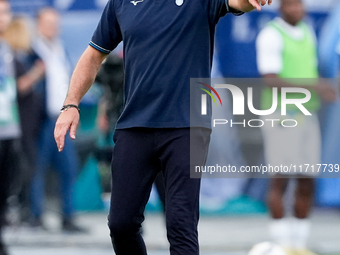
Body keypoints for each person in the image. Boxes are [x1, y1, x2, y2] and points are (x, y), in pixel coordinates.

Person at [54, 0, 273, 254]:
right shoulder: (121, 3)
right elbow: (93, 55)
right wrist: (71, 104)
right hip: (135, 126)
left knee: (181, 225)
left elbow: (238, 3)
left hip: (186, 127)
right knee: (121, 224)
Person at [256, 0, 336, 254]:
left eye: (300, 5)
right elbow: (271, 80)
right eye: (291, 5)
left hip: (306, 115)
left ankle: (299, 246)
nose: (297, 10)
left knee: (307, 179)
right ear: (281, 8)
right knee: (280, 179)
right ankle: (280, 245)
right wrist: (315, 88)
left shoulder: (307, 31)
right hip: (281, 116)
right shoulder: (270, 35)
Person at [30, 8, 84, 232]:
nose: (53, 27)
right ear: (39, 25)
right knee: (37, 169)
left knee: (69, 168)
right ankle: (36, 216)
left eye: (55, 23)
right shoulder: (31, 51)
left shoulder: (60, 49)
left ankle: (68, 216)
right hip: (41, 120)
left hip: (62, 117)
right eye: (48, 23)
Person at [3, 16, 45, 224]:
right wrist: (37, 73)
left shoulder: (14, 55)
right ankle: (27, 211)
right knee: (23, 169)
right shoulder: (15, 57)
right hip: (17, 123)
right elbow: (19, 87)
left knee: (24, 169)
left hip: (21, 124)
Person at [0, 0, 21, 254]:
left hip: (9, 130)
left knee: (4, 190)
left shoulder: (6, 47)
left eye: (7, 12)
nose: (5, 17)